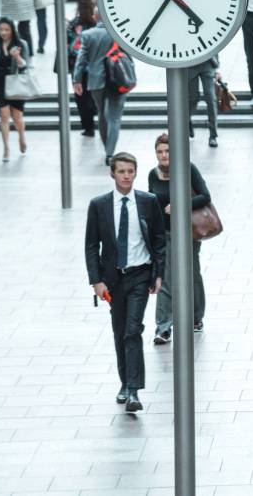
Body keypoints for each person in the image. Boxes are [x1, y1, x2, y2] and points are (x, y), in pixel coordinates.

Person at [84, 152, 166, 414]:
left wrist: (158, 274)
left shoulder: (147, 201)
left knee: (133, 330)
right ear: (112, 174)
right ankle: (124, 382)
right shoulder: (99, 205)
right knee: (120, 331)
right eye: (121, 171)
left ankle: (133, 390)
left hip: (140, 274)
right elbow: (90, 245)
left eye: (130, 171)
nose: (126, 176)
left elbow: (158, 240)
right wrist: (96, 281)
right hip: (113, 279)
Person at [148, 133, 212, 344]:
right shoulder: (153, 174)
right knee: (166, 278)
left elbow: (205, 196)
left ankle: (196, 317)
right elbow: (152, 200)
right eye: (160, 152)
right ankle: (163, 327)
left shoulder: (188, 168)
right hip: (163, 233)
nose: (163, 155)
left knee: (192, 274)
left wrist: (180, 204)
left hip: (187, 232)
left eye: (167, 151)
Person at [74, 14, 132, 165]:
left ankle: (107, 146)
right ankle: (110, 153)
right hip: (117, 79)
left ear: (95, 17)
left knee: (101, 113)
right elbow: (128, 57)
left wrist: (77, 79)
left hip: (96, 81)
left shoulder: (88, 35)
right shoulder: (119, 33)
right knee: (114, 117)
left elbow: (81, 60)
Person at [0, 18, 29, 162]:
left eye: (6, 29)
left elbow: (25, 66)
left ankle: (21, 137)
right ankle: (6, 148)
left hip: (16, 81)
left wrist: (17, 57)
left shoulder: (21, 44)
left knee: (17, 116)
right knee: (4, 115)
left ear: (12, 30)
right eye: (1, 30)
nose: (3, 33)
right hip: (0, 82)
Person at [65, 0, 99, 137]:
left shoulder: (73, 25)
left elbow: (68, 46)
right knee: (94, 94)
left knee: (81, 96)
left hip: (77, 67)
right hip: (95, 66)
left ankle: (88, 127)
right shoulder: (96, 23)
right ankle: (95, 110)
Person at [188, 56, 221, 146]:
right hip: (191, 64)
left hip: (208, 63)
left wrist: (217, 69)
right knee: (193, 98)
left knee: (211, 99)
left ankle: (213, 135)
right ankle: (187, 119)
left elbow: (215, 44)